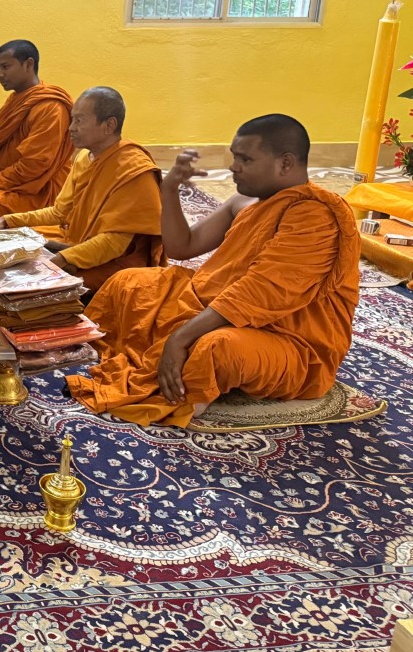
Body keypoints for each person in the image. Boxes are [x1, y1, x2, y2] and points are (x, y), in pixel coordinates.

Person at [67, 114, 361, 428]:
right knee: (129, 282)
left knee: (215, 348)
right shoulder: (245, 200)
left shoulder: (315, 216)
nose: (234, 167)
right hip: (220, 304)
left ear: (285, 164)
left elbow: (261, 292)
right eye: (235, 157)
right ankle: (176, 359)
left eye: (245, 160)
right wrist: (169, 190)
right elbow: (182, 246)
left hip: (288, 339)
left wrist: (180, 338)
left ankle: (191, 393)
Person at [0, 87, 162, 291]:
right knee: (13, 240)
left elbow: (114, 243)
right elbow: (60, 212)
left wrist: (62, 258)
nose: (71, 128)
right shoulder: (84, 158)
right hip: (76, 241)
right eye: (72, 120)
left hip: (116, 261)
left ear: (109, 125)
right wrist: (9, 220)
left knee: (39, 283)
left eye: (79, 121)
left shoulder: (133, 170)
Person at [0, 40, 74, 223]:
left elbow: (34, 165)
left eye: (5, 67)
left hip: (35, 188)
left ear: (28, 64)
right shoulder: (17, 100)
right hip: (1, 177)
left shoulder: (50, 107)